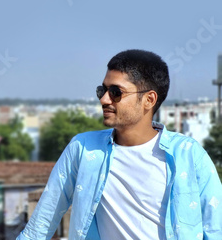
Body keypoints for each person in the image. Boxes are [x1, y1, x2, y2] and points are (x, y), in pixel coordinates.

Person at [17, 49, 222, 240]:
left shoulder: (188, 155)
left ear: (149, 100)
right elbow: (40, 226)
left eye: (116, 92)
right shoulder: (83, 149)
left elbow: (216, 229)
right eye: (102, 90)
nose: (104, 99)